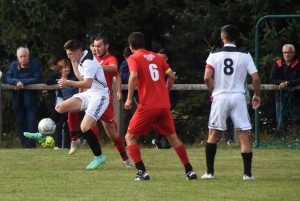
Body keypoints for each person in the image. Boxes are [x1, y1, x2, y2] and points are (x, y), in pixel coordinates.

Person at [24, 39, 109, 170]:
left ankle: (99, 156)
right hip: (91, 93)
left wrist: (68, 82)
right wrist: (74, 63)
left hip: (100, 96)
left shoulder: (88, 62)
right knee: (60, 107)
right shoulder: (81, 57)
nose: (68, 56)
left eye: (70, 54)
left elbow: (87, 83)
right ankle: (42, 135)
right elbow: (81, 78)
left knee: (85, 126)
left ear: (78, 52)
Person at [124, 32, 197, 180]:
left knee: (130, 137)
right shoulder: (157, 57)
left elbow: (133, 76)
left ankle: (142, 172)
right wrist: (165, 91)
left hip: (148, 105)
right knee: (173, 138)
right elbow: (172, 76)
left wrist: (129, 98)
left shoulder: (133, 58)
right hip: (164, 105)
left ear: (131, 47)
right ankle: (190, 171)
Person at [202, 25, 261, 180]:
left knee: (213, 133)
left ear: (223, 36)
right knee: (243, 135)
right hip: (238, 97)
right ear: (236, 37)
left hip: (220, 96)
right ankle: (247, 174)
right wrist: (256, 94)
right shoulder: (245, 55)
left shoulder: (214, 55)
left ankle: (210, 172)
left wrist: (212, 91)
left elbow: (207, 77)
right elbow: (255, 78)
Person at [93, 36, 132, 167]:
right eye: (95, 46)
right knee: (86, 122)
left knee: (111, 133)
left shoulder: (110, 59)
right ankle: (76, 140)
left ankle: (125, 158)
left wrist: (119, 91)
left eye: (99, 46)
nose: (97, 49)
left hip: (104, 100)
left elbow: (114, 69)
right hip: (91, 97)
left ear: (107, 46)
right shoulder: (92, 59)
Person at [5, 47, 41, 148]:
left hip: (31, 100)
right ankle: (24, 145)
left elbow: (37, 78)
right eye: (21, 56)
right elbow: (7, 77)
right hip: (18, 100)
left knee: (32, 122)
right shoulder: (13, 66)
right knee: (21, 123)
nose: (23, 58)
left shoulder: (34, 65)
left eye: (25, 56)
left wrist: (21, 82)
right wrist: (16, 82)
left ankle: (31, 145)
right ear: (18, 57)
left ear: (28, 56)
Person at [44, 59, 79, 149]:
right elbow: (47, 81)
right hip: (59, 103)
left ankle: (66, 145)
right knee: (58, 125)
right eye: (65, 68)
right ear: (60, 69)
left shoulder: (73, 76)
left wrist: (66, 82)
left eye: (68, 67)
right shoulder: (57, 76)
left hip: (70, 103)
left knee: (67, 125)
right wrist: (59, 81)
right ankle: (58, 145)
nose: (67, 69)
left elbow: (76, 79)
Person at [269, 44, 300, 140]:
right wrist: (284, 84)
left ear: (293, 53)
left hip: (295, 96)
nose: (287, 54)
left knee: (295, 118)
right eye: (285, 52)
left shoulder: (298, 64)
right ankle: (280, 140)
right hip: (281, 96)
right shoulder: (277, 64)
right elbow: (272, 79)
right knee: (280, 119)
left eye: (289, 52)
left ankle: (294, 139)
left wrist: (288, 83)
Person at [152, 48, 178, 149]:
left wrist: (165, 91)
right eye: (159, 57)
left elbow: (172, 77)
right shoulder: (153, 67)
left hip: (170, 97)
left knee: (167, 118)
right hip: (158, 97)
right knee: (161, 119)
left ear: (167, 58)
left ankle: (163, 141)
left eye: (163, 58)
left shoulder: (170, 67)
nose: (161, 59)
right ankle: (160, 140)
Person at [119, 46, 138, 145]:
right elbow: (133, 77)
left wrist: (119, 91)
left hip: (124, 94)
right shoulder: (134, 63)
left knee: (124, 118)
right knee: (137, 117)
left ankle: (124, 141)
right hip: (133, 94)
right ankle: (132, 140)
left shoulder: (122, 65)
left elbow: (119, 78)